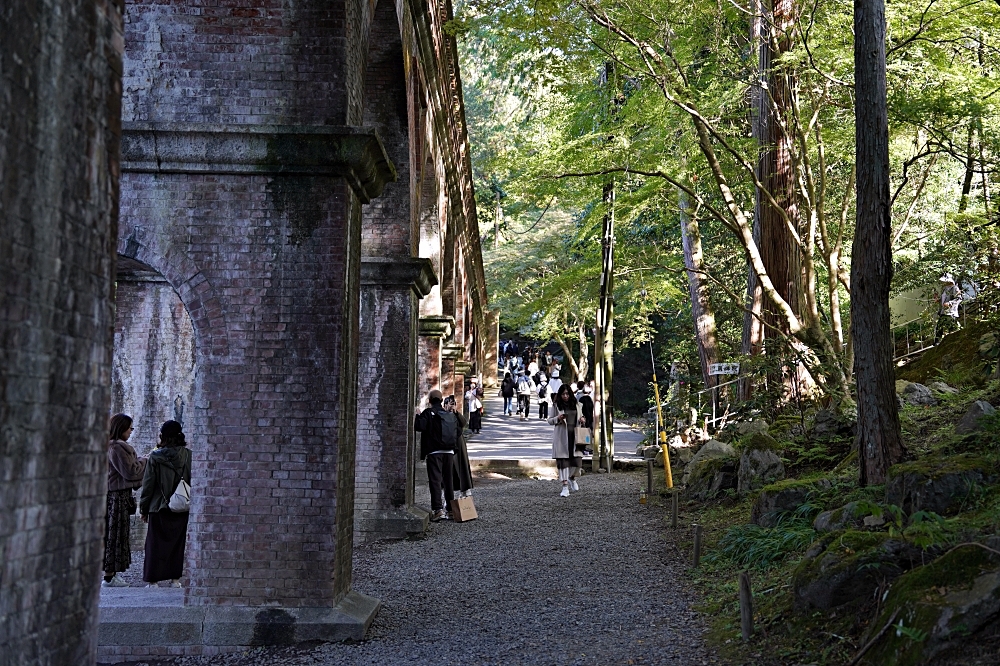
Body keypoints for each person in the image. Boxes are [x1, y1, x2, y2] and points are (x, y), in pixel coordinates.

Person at [139, 420, 191, 587]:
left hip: (158, 506)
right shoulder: (189, 455)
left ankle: (153, 581)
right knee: (177, 544)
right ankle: (175, 579)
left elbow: (148, 485)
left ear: (163, 436)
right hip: (181, 506)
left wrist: (143, 509)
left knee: (154, 545)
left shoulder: (155, 457)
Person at [103, 413, 147, 587]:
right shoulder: (118, 448)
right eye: (129, 428)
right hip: (117, 497)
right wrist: (146, 460)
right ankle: (109, 577)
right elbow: (131, 472)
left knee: (113, 535)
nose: (131, 432)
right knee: (115, 535)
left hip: (113, 496)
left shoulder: (109, 446)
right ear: (121, 429)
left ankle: (110, 574)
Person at [414, 390, 459, 521]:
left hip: (434, 452)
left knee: (435, 480)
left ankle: (438, 510)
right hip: (449, 452)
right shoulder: (449, 414)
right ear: (441, 400)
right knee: (448, 481)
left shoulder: (428, 413)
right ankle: (451, 510)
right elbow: (458, 431)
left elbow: (419, 426)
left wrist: (417, 415)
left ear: (430, 400)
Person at [548, 384, 585, 497]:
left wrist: (583, 419)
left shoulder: (577, 404)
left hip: (575, 436)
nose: (565, 396)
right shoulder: (556, 405)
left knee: (577, 461)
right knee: (563, 462)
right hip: (561, 436)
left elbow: (582, 416)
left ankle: (572, 478)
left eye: (567, 393)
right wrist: (558, 418)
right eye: (563, 394)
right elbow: (549, 420)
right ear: (560, 395)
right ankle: (564, 487)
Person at [445, 395, 474, 499]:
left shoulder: (456, 414)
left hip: (459, 442)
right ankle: (452, 492)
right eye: (450, 403)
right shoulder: (443, 415)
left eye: (453, 403)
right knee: (451, 468)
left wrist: (456, 412)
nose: (452, 405)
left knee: (462, 466)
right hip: (449, 443)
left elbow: (463, 423)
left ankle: (465, 488)